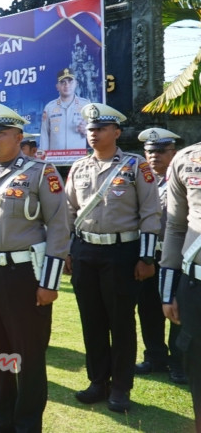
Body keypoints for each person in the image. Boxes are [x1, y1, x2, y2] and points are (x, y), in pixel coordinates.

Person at [0, 103, 70, 432]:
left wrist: (49, 283)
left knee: (28, 354)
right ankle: (1, 418)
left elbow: (58, 227)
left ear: (18, 136)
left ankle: (27, 424)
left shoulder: (41, 173)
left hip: (23, 275)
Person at [65, 103, 160, 413]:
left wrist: (146, 257)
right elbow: (67, 212)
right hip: (85, 251)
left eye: (100, 128)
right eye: (90, 129)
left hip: (122, 253)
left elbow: (150, 213)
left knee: (120, 321)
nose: (93, 133)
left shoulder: (135, 166)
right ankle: (98, 381)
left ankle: (121, 386)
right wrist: (67, 251)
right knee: (91, 320)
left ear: (116, 132)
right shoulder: (79, 168)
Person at [134, 128, 186, 384]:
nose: (154, 157)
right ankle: (154, 357)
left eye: (160, 151)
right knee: (148, 309)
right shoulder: (142, 181)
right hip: (148, 255)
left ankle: (179, 362)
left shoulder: (184, 179)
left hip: (175, 256)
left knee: (178, 311)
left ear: (173, 153)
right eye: (150, 152)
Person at [161, 134, 201, 431]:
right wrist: (168, 292)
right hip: (194, 286)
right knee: (197, 368)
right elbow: (175, 227)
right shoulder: (186, 159)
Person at [39, 68, 90, 153]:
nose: (67, 85)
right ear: (57, 87)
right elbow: (44, 136)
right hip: (55, 160)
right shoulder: (49, 107)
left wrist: (87, 131)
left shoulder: (85, 105)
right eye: (63, 82)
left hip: (78, 160)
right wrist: (43, 160)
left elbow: (96, 134)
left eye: (70, 82)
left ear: (76, 84)